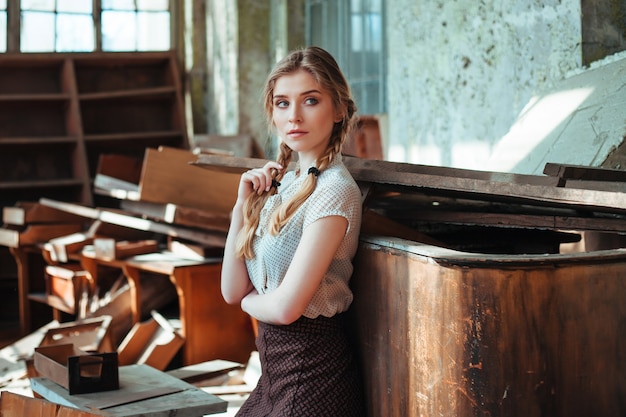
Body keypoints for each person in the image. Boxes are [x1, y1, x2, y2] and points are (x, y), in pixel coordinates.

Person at [220, 46, 365, 417]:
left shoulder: (335, 190)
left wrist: (249, 304)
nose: (294, 116)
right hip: (275, 379)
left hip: (313, 378)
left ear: (340, 109)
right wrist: (241, 209)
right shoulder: (284, 183)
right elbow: (231, 290)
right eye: (282, 103)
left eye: (310, 100)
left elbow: (285, 309)